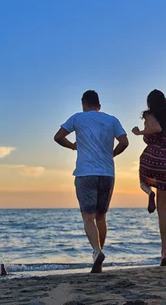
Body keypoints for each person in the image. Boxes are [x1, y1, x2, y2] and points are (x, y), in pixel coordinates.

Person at [54, 90, 129, 273]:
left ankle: (97, 251)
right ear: (99, 105)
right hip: (107, 174)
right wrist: (112, 154)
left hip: (86, 173)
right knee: (101, 217)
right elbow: (125, 142)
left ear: (83, 104)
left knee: (88, 217)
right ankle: (99, 255)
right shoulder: (112, 119)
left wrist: (72, 146)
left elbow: (58, 137)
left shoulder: (77, 118)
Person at [131, 89, 166, 266]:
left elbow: (156, 129)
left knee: (142, 181)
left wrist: (139, 132)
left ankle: (149, 192)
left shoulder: (149, 115)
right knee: (163, 209)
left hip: (150, 158)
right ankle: (164, 252)